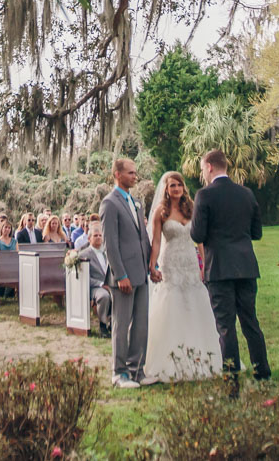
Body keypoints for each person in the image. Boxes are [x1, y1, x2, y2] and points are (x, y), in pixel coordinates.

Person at [189, 150, 270, 380]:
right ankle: (261, 371)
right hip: (245, 266)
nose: (203, 173)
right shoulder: (246, 193)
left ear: (210, 167)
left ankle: (232, 374)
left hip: (219, 267)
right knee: (250, 321)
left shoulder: (204, 195)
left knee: (225, 325)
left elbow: (197, 234)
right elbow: (257, 233)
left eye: (203, 168)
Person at [141, 172, 224, 383]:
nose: (176, 189)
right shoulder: (161, 211)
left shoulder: (191, 207)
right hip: (171, 262)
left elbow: (201, 240)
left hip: (190, 260)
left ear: (183, 187)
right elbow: (157, 241)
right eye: (172, 186)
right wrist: (153, 264)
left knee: (196, 303)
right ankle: (170, 359)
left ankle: (203, 355)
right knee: (173, 303)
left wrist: (204, 263)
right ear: (166, 189)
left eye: (179, 185)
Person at [99, 157, 154, 388]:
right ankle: (119, 373)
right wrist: (120, 275)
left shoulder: (137, 202)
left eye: (135, 173)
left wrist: (152, 265)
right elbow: (109, 244)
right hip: (123, 277)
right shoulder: (109, 203)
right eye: (130, 173)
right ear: (117, 175)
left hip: (141, 273)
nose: (135, 176)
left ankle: (137, 370)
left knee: (141, 325)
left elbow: (143, 238)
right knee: (121, 326)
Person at [84, 223, 111, 334]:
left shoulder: (107, 252)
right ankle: (103, 325)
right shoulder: (84, 254)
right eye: (95, 235)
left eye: (100, 235)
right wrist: (101, 284)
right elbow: (85, 278)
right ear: (89, 238)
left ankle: (113, 323)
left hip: (109, 283)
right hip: (95, 286)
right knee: (104, 296)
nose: (98, 237)